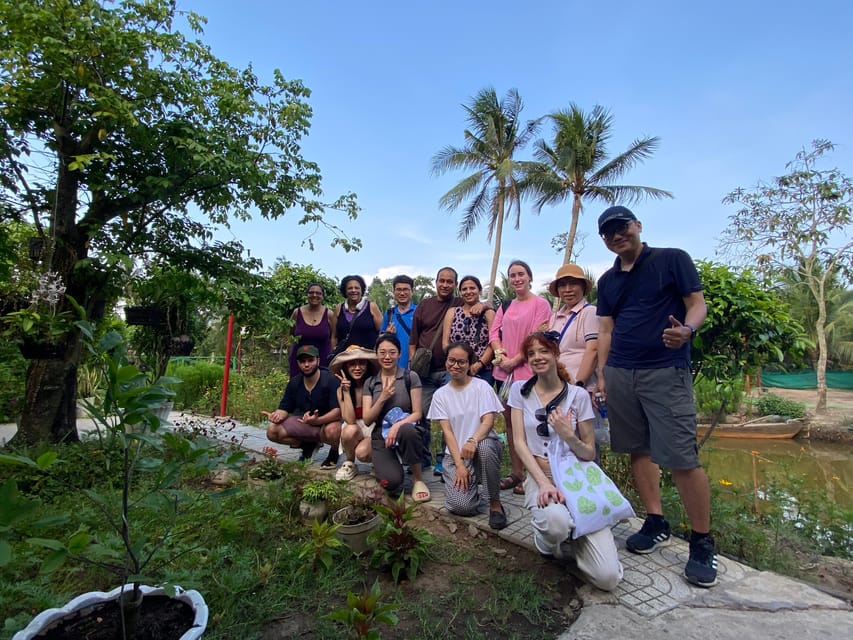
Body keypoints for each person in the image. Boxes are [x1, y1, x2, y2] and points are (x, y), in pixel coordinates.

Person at [595, 205, 717, 588]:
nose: (617, 235)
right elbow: (605, 330)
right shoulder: (608, 280)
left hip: (665, 370)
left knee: (682, 456)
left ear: (638, 227)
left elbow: (697, 304)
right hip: (620, 372)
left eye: (622, 227)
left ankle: (701, 541)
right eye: (609, 231)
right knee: (638, 450)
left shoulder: (671, 260)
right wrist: (602, 375)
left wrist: (688, 332)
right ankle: (656, 520)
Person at [508, 332, 623, 591]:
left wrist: (568, 434)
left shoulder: (578, 397)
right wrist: (542, 483)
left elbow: (589, 453)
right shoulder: (520, 392)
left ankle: (580, 534)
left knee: (608, 579)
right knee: (556, 525)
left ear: (556, 354)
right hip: (542, 476)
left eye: (543, 351)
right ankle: (549, 541)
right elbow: (519, 442)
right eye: (531, 353)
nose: (538, 357)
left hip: (577, 479)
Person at [428, 342, 507, 529]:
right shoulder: (440, 395)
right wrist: (460, 465)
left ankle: (495, 503)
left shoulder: (482, 387)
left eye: (461, 362)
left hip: (480, 447)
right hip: (456, 454)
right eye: (451, 360)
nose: (455, 365)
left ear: (469, 363)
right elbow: (447, 432)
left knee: (486, 447)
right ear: (446, 361)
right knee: (461, 506)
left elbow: (488, 421)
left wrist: (473, 441)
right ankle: (465, 484)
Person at [489, 260, 551, 495]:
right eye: (512, 275)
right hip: (504, 375)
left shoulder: (541, 304)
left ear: (529, 277)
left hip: (529, 373)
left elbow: (536, 338)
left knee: (533, 425)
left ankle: (533, 476)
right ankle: (516, 473)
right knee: (511, 425)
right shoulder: (506, 305)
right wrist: (499, 352)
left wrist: (514, 360)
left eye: (521, 274)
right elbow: (494, 333)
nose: (517, 279)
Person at [544, 264, 606, 447]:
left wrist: (577, 386)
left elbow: (593, 350)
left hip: (581, 387)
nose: (568, 290)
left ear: (583, 287)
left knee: (585, 442)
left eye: (573, 284)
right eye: (563, 285)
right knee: (560, 443)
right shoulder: (555, 317)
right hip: (557, 389)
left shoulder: (590, 313)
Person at [362, 333, 430, 502]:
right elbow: (367, 419)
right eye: (382, 352)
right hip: (381, 436)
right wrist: (383, 397)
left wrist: (396, 426)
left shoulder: (410, 377)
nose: (387, 357)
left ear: (399, 354)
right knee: (391, 483)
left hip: (407, 430)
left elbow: (417, 413)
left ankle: (417, 478)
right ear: (376, 354)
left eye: (392, 352)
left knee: (407, 429)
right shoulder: (370, 382)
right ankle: (387, 466)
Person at [264, 345, 342, 469]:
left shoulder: (330, 380)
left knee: (333, 431)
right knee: (272, 431)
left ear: (318, 361)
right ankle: (308, 446)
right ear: (298, 363)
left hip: (328, 424)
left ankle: (334, 451)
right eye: (302, 361)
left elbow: (338, 412)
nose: (306, 365)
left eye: (310, 360)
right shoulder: (295, 382)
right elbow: (285, 407)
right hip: (304, 424)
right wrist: (276, 415)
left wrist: (318, 420)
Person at [329, 345, 379, 481]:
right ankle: (349, 462)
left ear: (367, 365)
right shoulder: (340, 390)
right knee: (349, 429)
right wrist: (345, 391)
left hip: (373, 428)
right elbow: (350, 420)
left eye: (361, 363)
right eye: (352, 364)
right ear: (345, 367)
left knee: (363, 453)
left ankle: (379, 461)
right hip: (354, 428)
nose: (357, 368)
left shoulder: (375, 385)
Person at [441, 275, 495, 386]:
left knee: (480, 401)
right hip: (456, 368)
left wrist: (479, 364)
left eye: (472, 288)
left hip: (482, 369)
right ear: (460, 292)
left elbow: (493, 342)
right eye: (464, 289)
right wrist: (455, 362)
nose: (468, 292)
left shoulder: (489, 313)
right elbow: (445, 342)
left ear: (479, 290)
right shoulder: (452, 312)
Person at [287, 283, 334, 378]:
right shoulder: (297, 313)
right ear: (307, 295)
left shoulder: (329, 314)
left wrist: (333, 357)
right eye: (311, 292)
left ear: (323, 296)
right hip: (301, 360)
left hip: (323, 360)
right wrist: (290, 355)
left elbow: (335, 337)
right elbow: (290, 336)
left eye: (318, 293)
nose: (314, 295)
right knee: (298, 388)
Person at [332, 275, 383, 353]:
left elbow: (381, 333)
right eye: (350, 288)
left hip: (368, 358)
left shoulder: (371, 306)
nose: (353, 290)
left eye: (357, 288)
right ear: (345, 291)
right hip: (344, 359)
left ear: (361, 290)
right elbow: (334, 336)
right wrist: (333, 353)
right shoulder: (338, 308)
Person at [380, 274, 417, 369]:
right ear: (394, 292)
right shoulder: (389, 314)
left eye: (405, 289)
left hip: (415, 366)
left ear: (412, 291)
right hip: (393, 367)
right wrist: (387, 334)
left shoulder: (419, 312)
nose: (402, 293)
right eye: (399, 289)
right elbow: (380, 340)